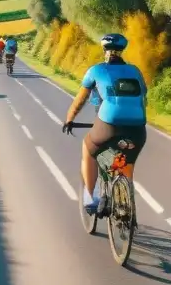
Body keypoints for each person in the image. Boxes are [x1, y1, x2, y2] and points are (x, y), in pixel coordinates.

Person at [61, 33, 147, 214]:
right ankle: (125, 197)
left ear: (104, 50)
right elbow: (143, 97)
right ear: (122, 50)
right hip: (138, 126)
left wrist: (70, 118)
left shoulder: (96, 70)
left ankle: (90, 197)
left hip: (109, 122)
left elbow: (80, 100)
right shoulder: (135, 71)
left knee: (89, 148)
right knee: (127, 159)